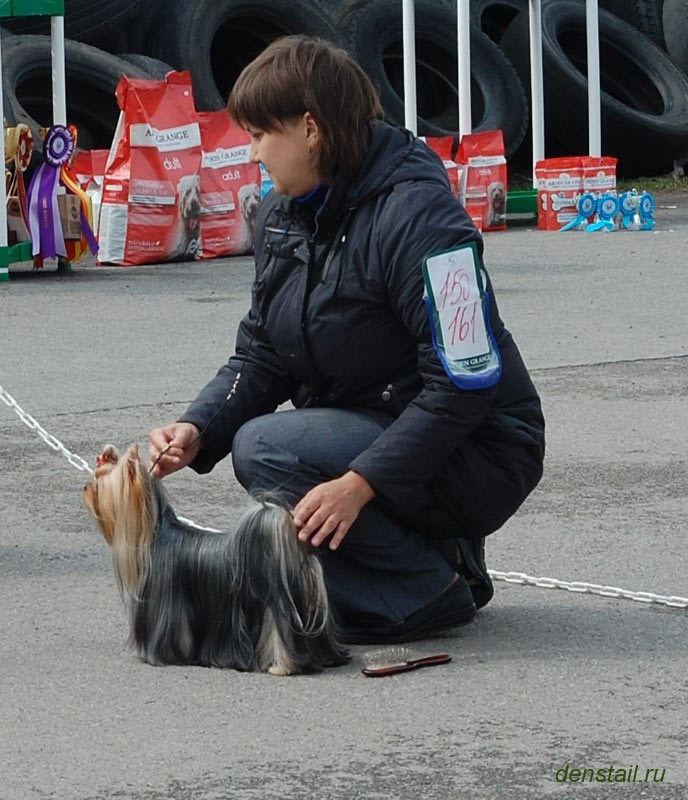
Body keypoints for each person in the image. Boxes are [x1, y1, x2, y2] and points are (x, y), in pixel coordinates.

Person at [149, 35, 545, 644]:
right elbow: (260, 354)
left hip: (484, 447)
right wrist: (197, 428)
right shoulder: (286, 212)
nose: (254, 153)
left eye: (260, 134)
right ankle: (436, 559)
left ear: (310, 129)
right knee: (261, 446)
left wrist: (359, 484)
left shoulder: (425, 220)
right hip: (380, 423)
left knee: (270, 450)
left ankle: (423, 592)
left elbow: (465, 384)